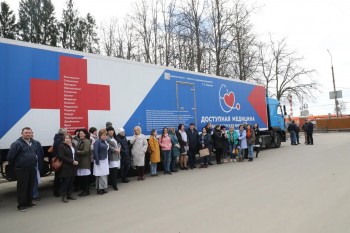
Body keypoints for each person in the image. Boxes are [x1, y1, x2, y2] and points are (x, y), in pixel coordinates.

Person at [7, 127, 39, 212]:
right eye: (26, 133)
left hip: (32, 168)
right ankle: (21, 205)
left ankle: (29, 202)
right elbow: (10, 157)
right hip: (21, 169)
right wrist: (17, 165)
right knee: (22, 188)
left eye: (29, 132)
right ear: (22, 134)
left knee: (30, 186)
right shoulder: (17, 143)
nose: (28, 134)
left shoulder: (34, 143)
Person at [57, 133, 78, 203]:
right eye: (66, 138)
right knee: (66, 182)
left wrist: (76, 161)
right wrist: (72, 161)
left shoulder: (73, 145)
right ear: (64, 139)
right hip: (66, 167)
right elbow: (61, 156)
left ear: (71, 139)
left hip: (73, 167)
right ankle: (64, 196)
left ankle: (69, 194)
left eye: (68, 138)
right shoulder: (61, 146)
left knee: (71, 182)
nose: (67, 139)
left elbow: (75, 154)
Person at [75, 129, 92, 197]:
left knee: (85, 177)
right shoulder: (80, 141)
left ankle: (86, 191)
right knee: (82, 177)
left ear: (85, 134)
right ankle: (83, 190)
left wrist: (77, 152)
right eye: (80, 133)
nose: (80, 134)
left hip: (85, 162)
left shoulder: (86, 141)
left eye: (82, 133)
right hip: (80, 162)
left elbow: (86, 151)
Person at [93, 129, 110, 194]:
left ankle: (103, 188)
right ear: (100, 135)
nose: (105, 136)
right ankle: (99, 189)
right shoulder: (97, 142)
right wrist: (97, 160)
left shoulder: (105, 142)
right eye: (103, 135)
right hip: (99, 160)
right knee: (100, 175)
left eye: (105, 135)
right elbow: (95, 151)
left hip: (105, 160)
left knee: (104, 174)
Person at [52, 128, 67, 197]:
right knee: (59, 177)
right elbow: (60, 152)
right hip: (60, 161)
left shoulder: (56, 139)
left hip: (57, 160)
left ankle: (57, 191)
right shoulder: (60, 140)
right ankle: (57, 192)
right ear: (64, 133)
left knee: (57, 176)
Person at [32, 135, 44, 201]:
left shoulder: (37, 143)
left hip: (36, 165)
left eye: (30, 133)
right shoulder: (19, 143)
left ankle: (35, 195)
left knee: (35, 180)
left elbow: (41, 153)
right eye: (26, 133)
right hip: (26, 166)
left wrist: (40, 163)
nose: (29, 134)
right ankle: (27, 196)